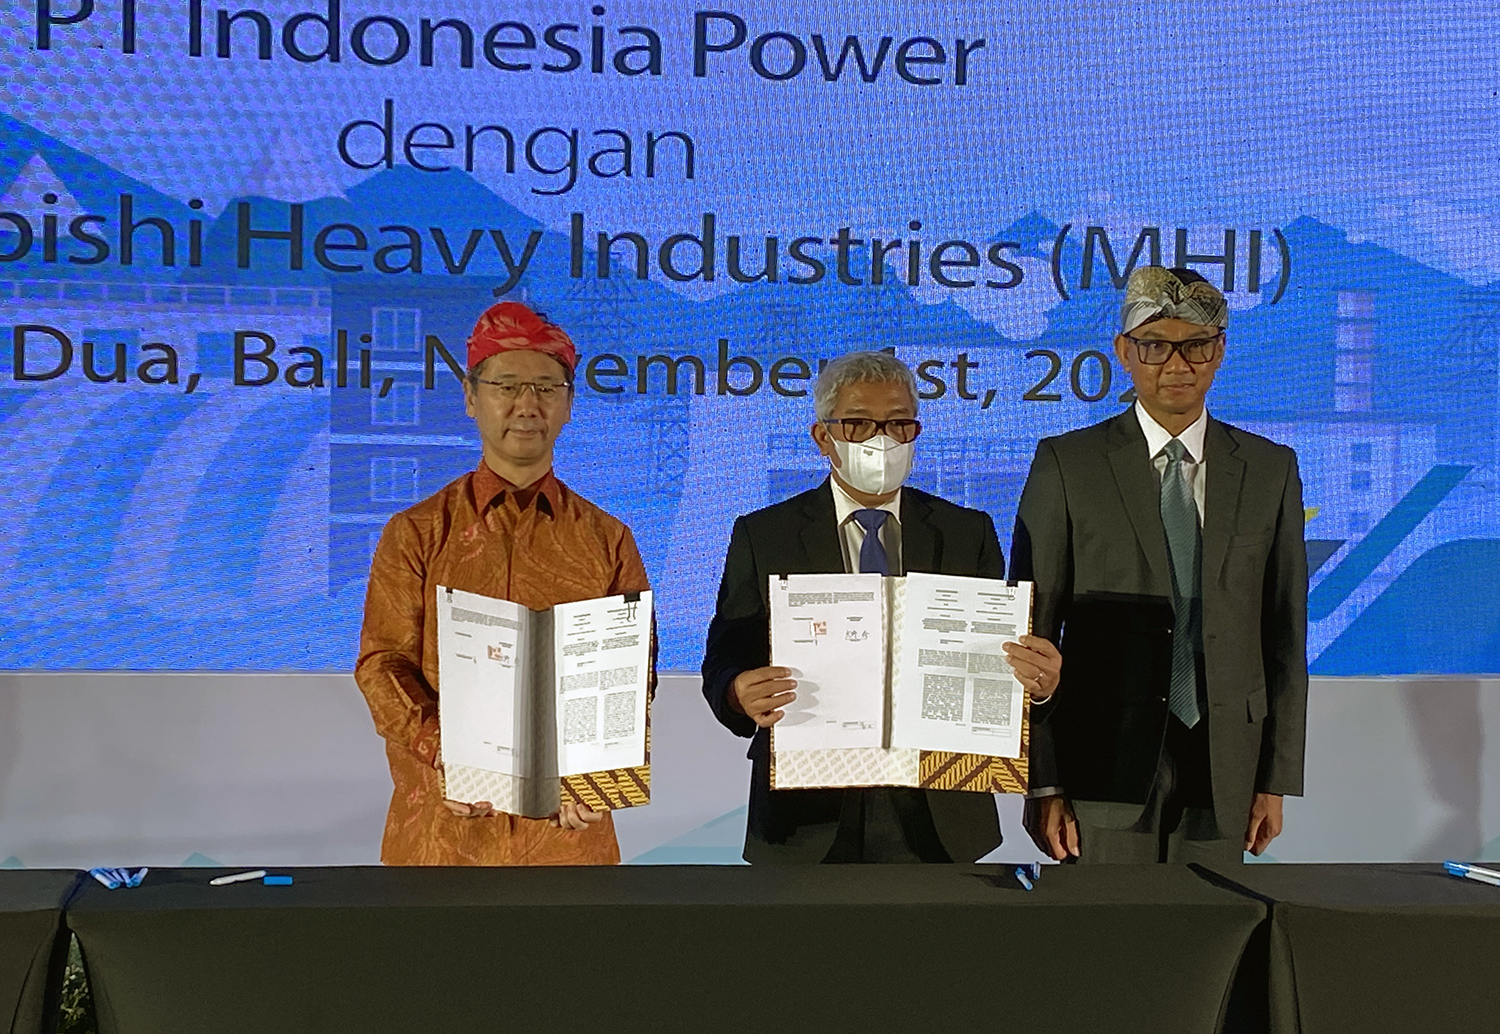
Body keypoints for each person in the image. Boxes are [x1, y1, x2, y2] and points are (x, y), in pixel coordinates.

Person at [701, 350, 1061, 864]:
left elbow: (1001, 666)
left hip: (941, 808)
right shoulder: (764, 534)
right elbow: (722, 662)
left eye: (898, 424)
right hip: (809, 814)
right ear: (823, 437)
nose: (881, 440)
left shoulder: (967, 532)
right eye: (858, 424)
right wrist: (737, 693)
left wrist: (1038, 689)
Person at [1011, 266, 1308, 866]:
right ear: (1124, 352)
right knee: (1107, 939)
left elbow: (1285, 633)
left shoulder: (1269, 468)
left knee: (1213, 936)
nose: (1177, 364)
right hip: (1101, 758)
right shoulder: (1068, 465)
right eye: (1154, 345)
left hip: (1226, 756)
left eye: (1196, 344)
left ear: (1220, 350)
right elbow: (1030, 635)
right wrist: (1042, 782)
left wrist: (1275, 776)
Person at [354, 300, 649, 865]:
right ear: (471, 398)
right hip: (443, 834)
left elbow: (634, 678)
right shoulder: (416, 532)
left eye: (546, 387)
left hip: (568, 840)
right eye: (506, 385)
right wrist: (447, 752)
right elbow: (381, 666)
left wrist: (601, 780)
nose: (526, 405)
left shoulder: (608, 537)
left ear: (568, 404)